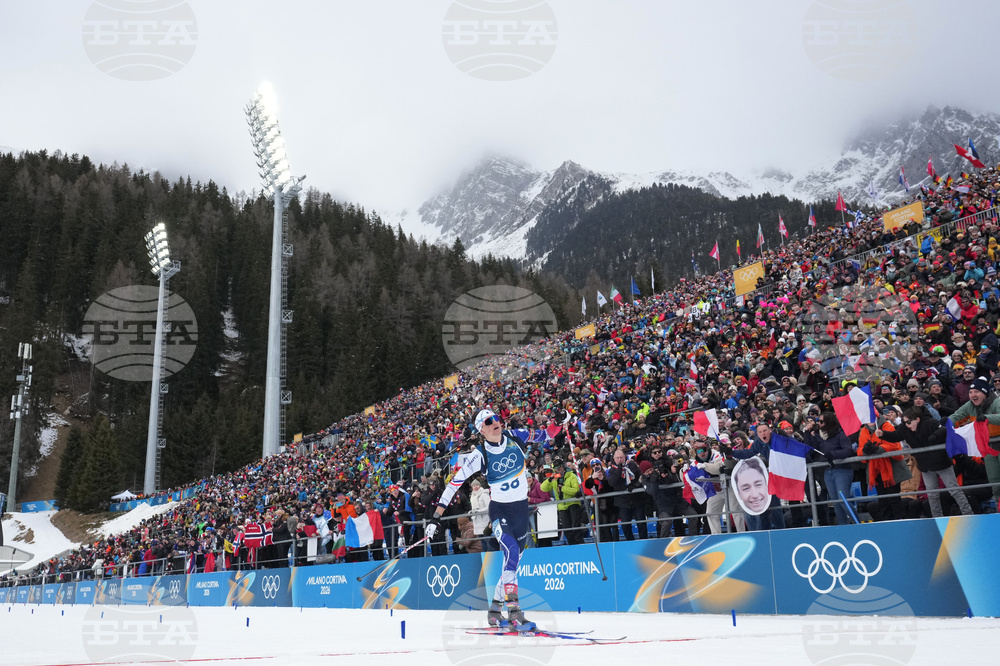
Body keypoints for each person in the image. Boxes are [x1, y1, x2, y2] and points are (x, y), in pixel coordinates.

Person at [425, 409, 547, 632]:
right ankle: (514, 611)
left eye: (497, 419)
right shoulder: (479, 455)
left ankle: (493, 611)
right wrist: (436, 518)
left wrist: (560, 424)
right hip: (501, 511)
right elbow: (453, 485)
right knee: (510, 551)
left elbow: (543, 435)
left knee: (511, 564)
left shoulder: (515, 436)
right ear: (482, 429)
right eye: (490, 421)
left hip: (522, 511)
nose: (496, 423)